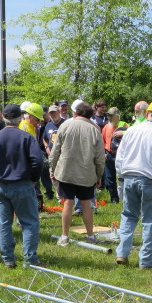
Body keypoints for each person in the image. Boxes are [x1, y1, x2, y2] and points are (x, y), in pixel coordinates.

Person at [0, 103, 44, 268]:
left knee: (4, 223)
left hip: (1, 185)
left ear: (4, 118)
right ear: (20, 118)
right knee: (29, 222)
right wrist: (33, 178)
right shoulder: (26, 137)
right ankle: (30, 259)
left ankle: (8, 258)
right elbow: (38, 161)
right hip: (22, 183)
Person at [115, 99, 152, 270]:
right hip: (150, 181)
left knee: (128, 216)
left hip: (129, 178)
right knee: (151, 220)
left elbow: (120, 158)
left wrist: (121, 177)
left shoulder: (131, 131)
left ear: (147, 114)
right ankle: (146, 261)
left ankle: (122, 254)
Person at [48, 99, 104, 246]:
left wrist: (52, 169)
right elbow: (100, 158)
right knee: (86, 204)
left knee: (68, 203)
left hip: (66, 172)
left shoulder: (65, 125)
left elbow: (55, 152)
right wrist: (99, 176)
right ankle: (91, 236)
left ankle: (64, 237)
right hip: (87, 173)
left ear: (75, 112)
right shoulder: (95, 129)